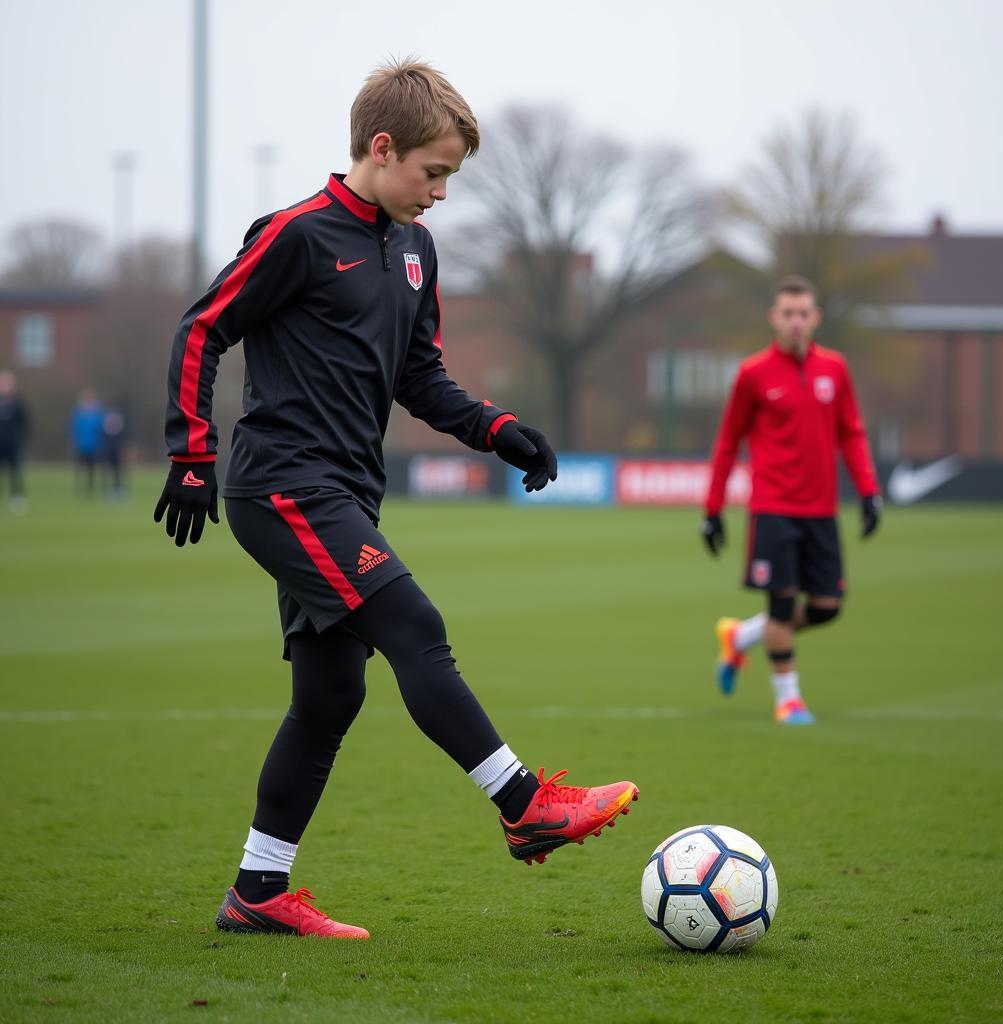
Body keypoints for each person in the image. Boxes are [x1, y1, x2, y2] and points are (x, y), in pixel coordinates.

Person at [154, 58, 638, 941]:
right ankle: (525, 805)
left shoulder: (415, 249)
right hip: (282, 484)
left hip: (346, 495)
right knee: (414, 624)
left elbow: (421, 377)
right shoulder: (297, 233)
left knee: (331, 697)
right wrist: (192, 453)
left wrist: (497, 428)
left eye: (450, 176)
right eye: (434, 172)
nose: (442, 192)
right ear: (382, 148)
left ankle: (257, 892)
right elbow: (203, 327)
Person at [700, 276, 881, 725]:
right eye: (788, 313)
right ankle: (789, 700)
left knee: (826, 607)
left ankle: (740, 637)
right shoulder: (753, 373)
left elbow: (851, 433)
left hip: (821, 509)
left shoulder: (835, 369)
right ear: (774, 318)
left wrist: (869, 491)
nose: (796, 322)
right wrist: (713, 509)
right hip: (773, 508)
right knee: (781, 606)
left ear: (816, 318)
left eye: (804, 313)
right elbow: (728, 443)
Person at [0, 370, 29, 515]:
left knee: (15, 471)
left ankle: (17, 498)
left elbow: (25, 423)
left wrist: (19, 438)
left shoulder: (17, 403)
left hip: (13, 444)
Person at [70, 388, 105, 496]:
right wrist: (74, 442)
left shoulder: (98, 413)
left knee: (93, 469)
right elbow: (74, 429)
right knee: (80, 468)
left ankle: (92, 489)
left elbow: (102, 429)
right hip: (81, 446)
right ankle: (79, 489)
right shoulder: (78, 413)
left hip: (94, 446)